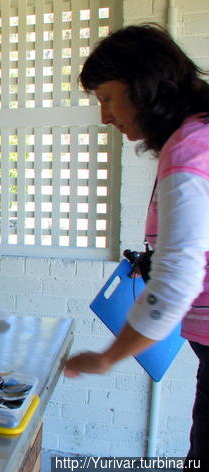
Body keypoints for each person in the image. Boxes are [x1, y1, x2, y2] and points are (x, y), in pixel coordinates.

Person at [63, 24, 209, 462]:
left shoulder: (189, 153)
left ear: (144, 86)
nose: (105, 116)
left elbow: (177, 281)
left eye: (107, 97)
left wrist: (109, 357)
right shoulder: (197, 136)